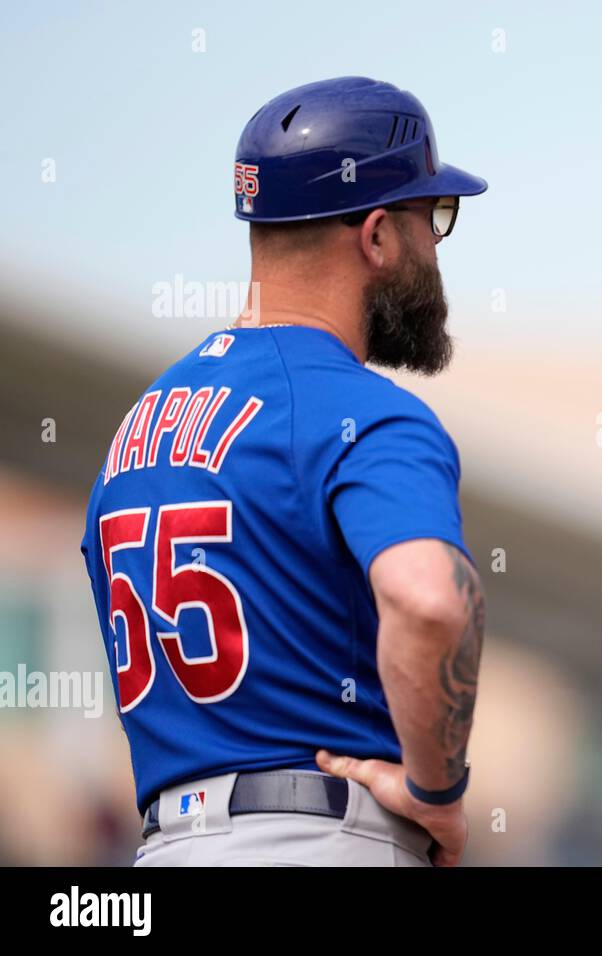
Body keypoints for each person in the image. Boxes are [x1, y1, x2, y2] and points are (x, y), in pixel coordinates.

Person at [80, 76, 487, 866]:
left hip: (164, 850)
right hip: (319, 836)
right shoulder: (363, 410)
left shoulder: (138, 425)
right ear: (376, 236)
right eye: (432, 216)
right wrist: (437, 794)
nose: (437, 245)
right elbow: (430, 600)